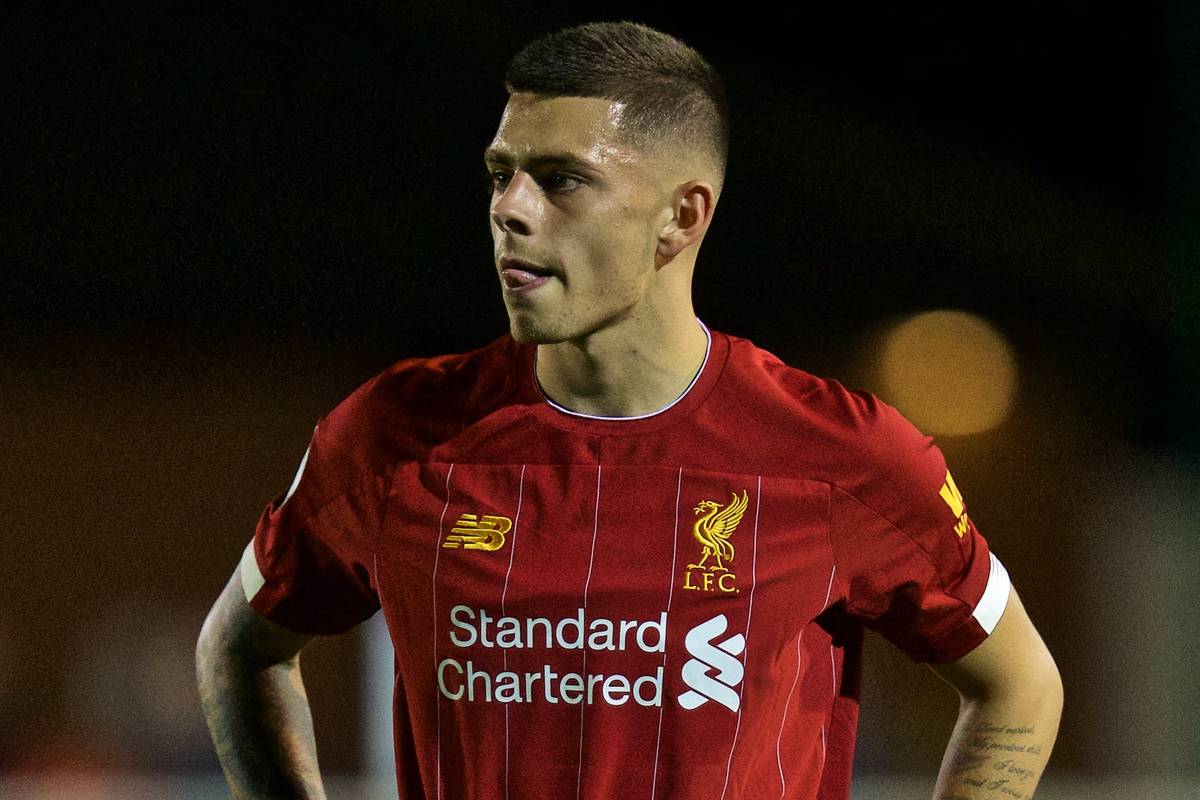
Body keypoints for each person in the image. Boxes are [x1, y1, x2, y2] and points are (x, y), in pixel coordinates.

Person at [196, 20, 1062, 800]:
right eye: (502, 175)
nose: (511, 210)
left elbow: (1019, 683)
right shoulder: (395, 436)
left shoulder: (844, 456)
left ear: (680, 218)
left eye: (562, 179)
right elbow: (238, 652)